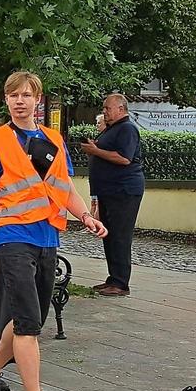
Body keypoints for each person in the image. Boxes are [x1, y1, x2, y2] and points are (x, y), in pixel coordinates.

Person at [0, 71, 106, 391]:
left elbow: (64, 189)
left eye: (26, 95)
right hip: (11, 238)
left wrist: (86, 216)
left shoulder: (53, 140)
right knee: (29, 323)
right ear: (6, 100)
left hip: (47, 238)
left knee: (28, 320)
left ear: (37, 100)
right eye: (13, 95)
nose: (19, 101)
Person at [80, 94, 144, 297]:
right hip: (109, 191)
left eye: (108, 108)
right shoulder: (113, 128)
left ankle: (121, 282)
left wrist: (96, 151)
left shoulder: (127, 128)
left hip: (123, 191)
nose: (105, 111)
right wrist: (95, 148)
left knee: (119, 237)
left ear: (121, 108)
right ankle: (113, 278)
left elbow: (124, 158)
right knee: (109, 235)